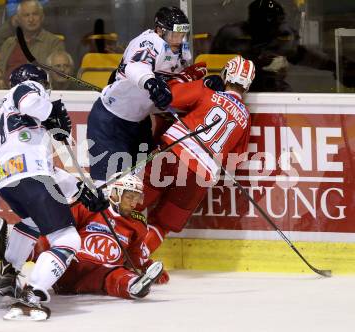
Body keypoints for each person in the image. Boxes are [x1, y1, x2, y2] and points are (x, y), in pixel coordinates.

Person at [0, 63, 109, 321]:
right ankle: (33, 292)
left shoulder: (10, 116)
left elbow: (46, 169)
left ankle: (8, 277)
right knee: (67, 239)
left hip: (5, 179)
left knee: (32, 222)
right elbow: (31, 101)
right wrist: (53, 112)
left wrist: (81, 190)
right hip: (28, 175)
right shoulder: (27, 89)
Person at [140, 55, 255, 257]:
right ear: (247, 86)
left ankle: (113, 252)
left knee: (134, 203)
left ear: (225, 75)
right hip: (201, 173)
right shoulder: (245, 117)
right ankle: (139, 259)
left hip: (173, 152)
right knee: (164, 223)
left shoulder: (206, 92)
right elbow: (234, 159)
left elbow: (171, 95)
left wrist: (191, 79)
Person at [0, 173, 165, 300]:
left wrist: (146, 266)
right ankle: (6, 249)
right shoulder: (90, 207)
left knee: (116, 275)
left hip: (99, 272)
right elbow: (59, 228)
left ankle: (133, 285)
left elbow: (135, 255)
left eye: (137, 198)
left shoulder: (138, 224)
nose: (134, 203)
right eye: (129, 197)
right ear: (114, 193)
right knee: (48, 241)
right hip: (69, 265)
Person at [86, 6, 193, 185]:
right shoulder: (149, 42)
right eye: (175, 34)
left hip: (138, 123)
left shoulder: (182, 48)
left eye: (182, 34)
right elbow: (134, 67)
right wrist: (152, 84)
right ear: (160, 30)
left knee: (138, 184)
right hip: (110, 123)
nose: (179, 40)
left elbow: (177, 77)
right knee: (108, 187)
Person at [210, 0, 354, 92]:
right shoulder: (232, 35)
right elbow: (216, 69)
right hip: (234, 91)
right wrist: (260, 63)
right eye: (270, 23)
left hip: (271, 88)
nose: (275, 27)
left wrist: (335, 65)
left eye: (278, 23)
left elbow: (301, 54)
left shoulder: (279, 35)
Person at [0, 0, 66, 82]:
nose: (31, 19)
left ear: (42, 17)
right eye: (26, 15)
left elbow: (58, 74)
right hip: (5, 91)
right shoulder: (9, 43)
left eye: (35, 14)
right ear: (18, 19)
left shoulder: (53, 43)